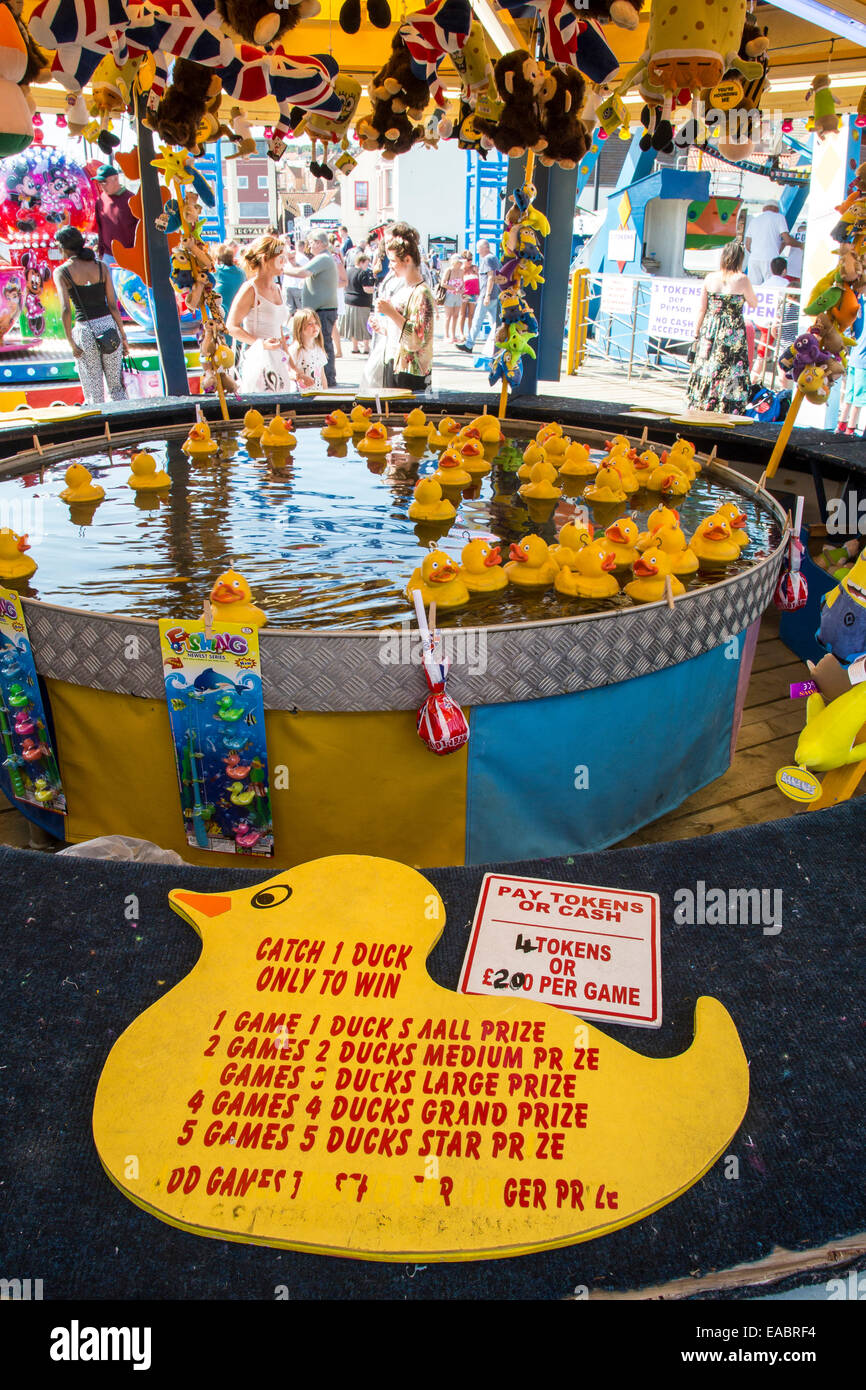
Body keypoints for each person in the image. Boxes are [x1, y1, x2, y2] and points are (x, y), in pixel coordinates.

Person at [53, 225, 128, 404]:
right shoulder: (101, 267)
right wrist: (123, 336)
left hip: (85, 331)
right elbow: (112, 305)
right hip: (109, 327)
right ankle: (123, 424)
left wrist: (70, 342)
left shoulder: (62, 272)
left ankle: (102, 428)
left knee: (94, 390)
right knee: (116, 387)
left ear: (63, 247)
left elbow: (65, 309)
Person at [687, 239, 757, 415]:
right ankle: (727, 406)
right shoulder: (742, 279)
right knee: (732, 368)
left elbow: (702, 308)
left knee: (707, 366)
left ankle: (703, 403)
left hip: (710, 328)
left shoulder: (710, 278)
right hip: (732, 331)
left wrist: (696, 332)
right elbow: (753, 303)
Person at [225, 234, 295, 394]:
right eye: (280, 258)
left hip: (278, 358)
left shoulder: (277, 288)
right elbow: (231, 326)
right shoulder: (250, 289)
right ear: (265, 259)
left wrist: (293, 367)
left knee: (282, 408)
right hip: (257, 359)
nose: (284, 262)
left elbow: (279, 331)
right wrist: (260, 343)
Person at [374, 222, 434, 391]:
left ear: (407, 259)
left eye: (393, 261)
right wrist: (383, 326)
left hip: (412, 372)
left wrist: (391, 313)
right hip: (395, 362)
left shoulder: (422, 293)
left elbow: (417, 340)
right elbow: (400, 330)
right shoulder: (406, 289)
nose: (390, 265)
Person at [282, 231, 339, 386]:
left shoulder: (323, 258)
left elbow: (302, 273)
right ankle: (324, 378)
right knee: (322, 343)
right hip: (322, 309)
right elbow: (304, 270)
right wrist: (292, 264)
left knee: (323, 343)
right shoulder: (323, 258)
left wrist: (280, 268)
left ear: (319, 243)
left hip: (323, 310)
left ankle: (327, 378)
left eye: (311, 242)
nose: (309, 245)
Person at [456, 238, 498, 353]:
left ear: (485, 248)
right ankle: (497, 344)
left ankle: (469, 345)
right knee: (494, 322)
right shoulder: (493, 258)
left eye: (478, 248)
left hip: (486, 296)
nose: (477, 251)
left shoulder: (488, 259)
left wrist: (487, 295)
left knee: (477, 320)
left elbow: (490, 277)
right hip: (492, 296)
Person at [92, 164, 137, 263]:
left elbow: (142, 228)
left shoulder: (132, 199)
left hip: (129, 255)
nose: (101, 185)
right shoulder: (100, 200)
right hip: (108, 256)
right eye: (99, 182)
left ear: (116, 179)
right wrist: (100, 250)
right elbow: (100, 227)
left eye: (104, 181)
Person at [745, 202, 797, 286]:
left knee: (753, 288)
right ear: (776, 209)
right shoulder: (779, 217)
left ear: (763, 209)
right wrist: (801, 245)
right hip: (770, 258)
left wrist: (758, 252)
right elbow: (787, 240)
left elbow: (747, 245)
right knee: (770, 287)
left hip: (754, 259)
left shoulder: (754, 220)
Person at [340, 250, 375, 354]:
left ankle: (355, 347)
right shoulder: (363, 273)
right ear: (361, 262)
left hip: (348, 301)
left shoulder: (348, 271)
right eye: (366, 263)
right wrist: (375, 290)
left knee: (353, 326)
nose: (367, 266)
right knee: (364, 325)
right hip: (361, 303)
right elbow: (366, 289)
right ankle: (366, 347)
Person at [213, 245, 245, 346]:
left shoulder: (216, 272)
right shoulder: (241, 273)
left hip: (220, 325)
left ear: (217, 259)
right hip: (238, 326)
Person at [287, 309, 328, 389]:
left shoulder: (318, 348)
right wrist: (298, 376)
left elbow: (322, 375)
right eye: (310, 324)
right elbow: (287, 372)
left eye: (316, 323)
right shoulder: (295, 350)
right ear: (300, 327)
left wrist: (326, 394)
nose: (314, 326)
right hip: (301, 396)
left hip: (317, 394)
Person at [439, 252, 464, 342]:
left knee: (456, 315)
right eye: (459, 262)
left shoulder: (461, 271)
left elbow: (462, 282)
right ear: (454, 262)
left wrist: (462, 290)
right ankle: (446, 335)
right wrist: (454, 288)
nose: (461, 264)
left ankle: (453, 335)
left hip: (458, 296)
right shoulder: (448, 270)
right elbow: (443, 283)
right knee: (448, 316)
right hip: (449, 295)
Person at [459, 251, 478, 340]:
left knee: (471, 314)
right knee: (462, 314)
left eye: (471, 259)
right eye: (468, 260)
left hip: (474, 293)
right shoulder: (461, 270)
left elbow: (479, 279)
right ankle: (461, 333)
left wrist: (476, 272)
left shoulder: (474, 268)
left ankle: (470, 333)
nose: (470, 261)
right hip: (464, 293)